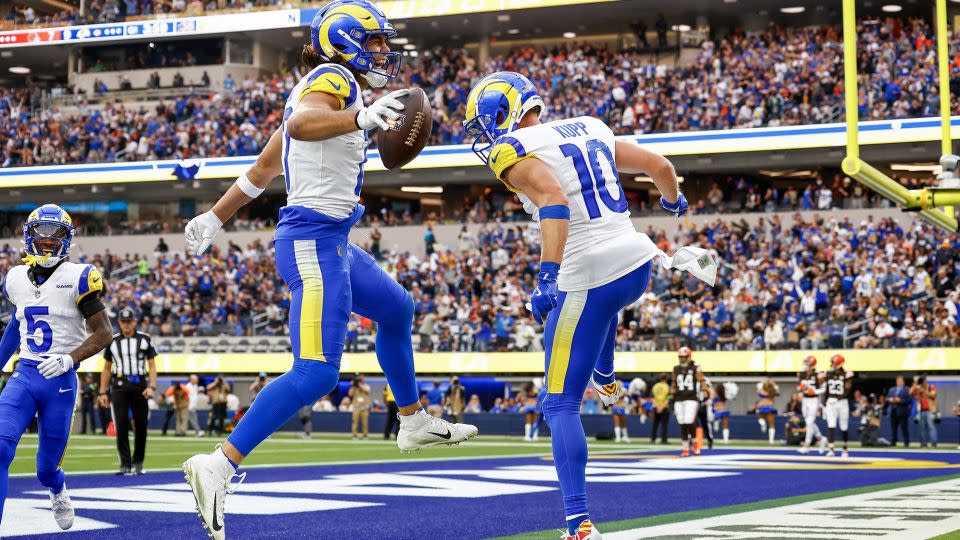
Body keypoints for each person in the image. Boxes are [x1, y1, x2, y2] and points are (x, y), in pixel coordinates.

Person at [182, 4, 477, 536]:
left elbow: (265, 167)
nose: (384, 51)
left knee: (397, 307)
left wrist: (213, 216)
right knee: (317, 371)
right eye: (375, 41)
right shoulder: (333, 78)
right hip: (311, 241)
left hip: (332, 239)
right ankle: (219, 463)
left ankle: (411, 422)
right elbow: (300, 124)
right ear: (345, 41)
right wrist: (360, 118)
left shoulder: (326, 88)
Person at [463, 70, 714, 540]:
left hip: (587, 277)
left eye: (486, 123)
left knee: (558, 404)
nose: (485, 136)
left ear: (504, 113)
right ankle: (606, 375)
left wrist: (546, 277)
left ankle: (578, 523)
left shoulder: (511, 148)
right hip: (636, 265)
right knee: (603, 311)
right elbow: (659, 165)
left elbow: (555, 203)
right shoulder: (591, 125)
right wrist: (674, 201)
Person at [0, 204, 112, 529]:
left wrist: (70, 358)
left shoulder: (80, 276)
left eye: (55, 236)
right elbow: (16, 324)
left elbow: (104, 333)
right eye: (42, 235)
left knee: (45, 469)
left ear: (67, 240)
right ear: (28, 237)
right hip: (25, 375)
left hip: (60, 381)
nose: (47, 242)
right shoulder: (16, 277)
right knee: (1, 450)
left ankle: (57, 489)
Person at [100, 307, 158, 475]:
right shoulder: (112, 341)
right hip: (119, 385)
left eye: (129, 321)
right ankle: (125, 464)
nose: (126, 324)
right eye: (123, 321)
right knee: (121, 424)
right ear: (119, 323)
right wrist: (102, 392)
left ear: (134, 322)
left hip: (140, 385)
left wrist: (152, 386)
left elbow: (152, 365)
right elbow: (106, 367)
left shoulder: (145, 339)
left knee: (141, 425)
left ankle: (138, 462)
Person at [672, 347, 709, 457]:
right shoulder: (676, 368)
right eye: (681, 357)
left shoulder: (695, 368)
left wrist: (705, 390)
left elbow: (701, 380)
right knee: (682, 423)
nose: (682, 359)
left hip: (691, 398)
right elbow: (674, 383)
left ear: (689, 357)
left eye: (684, 357)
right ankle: (685, 448)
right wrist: (672, 392)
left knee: (689, 421)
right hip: (679, 398)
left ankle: (695, 444)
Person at [823, 354, 853, 457]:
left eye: (834, 362)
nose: (832, 364)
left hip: (842, 402)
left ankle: (845, 449)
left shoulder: (847, 374)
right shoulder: (828, 374)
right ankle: (831, 449)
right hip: (831, 402)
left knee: (843, 425)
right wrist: (824, 402)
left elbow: (848, 389)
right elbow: (826, 389)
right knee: (831, 425)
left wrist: (838, 398)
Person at [797, 355, 827, 455]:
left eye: (807, 363)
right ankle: (821, 438)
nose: (805, 365)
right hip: (805, 400)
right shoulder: (802, 374)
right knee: (809, 422)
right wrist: (800, 389)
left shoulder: (818, 375)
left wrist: (814, 391)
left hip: (814, 400)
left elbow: (824, 389)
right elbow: (800, 387)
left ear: (812, 364)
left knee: (809, 422)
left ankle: (807, 445)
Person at [910, 375, 938, 448]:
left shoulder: (931, 387)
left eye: (923, 381)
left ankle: (933, 443)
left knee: (931, 427)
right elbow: (910, 392)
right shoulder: (919, 388)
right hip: (921, 410)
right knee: (922, 429)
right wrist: (915, 383)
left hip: (930, 410)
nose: (922, 383)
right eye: (921, 381)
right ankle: (923, 443)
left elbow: (933, 395)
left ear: (926, 381)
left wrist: (925, 391)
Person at [886, 376, 912, 447]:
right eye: (897, 381)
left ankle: (906, 442)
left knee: (904, 428)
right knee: (893, 428)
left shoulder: (907, 389)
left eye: (900, 381)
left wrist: (900, 400)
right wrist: (891, 400)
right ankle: (893, 442)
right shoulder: (892, 389)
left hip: (902, 412)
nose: (899, 382)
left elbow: (909, 400)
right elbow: (887, 398)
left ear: (903, 381)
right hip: (893, 411)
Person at [755, 378, 779, 445]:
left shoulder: (762, 390)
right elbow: (777, 393)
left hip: (762, 407)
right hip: (770, 407)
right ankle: (771, 441)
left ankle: (763, 424)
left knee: (760, 419)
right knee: (772, 424)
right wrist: (773, 385)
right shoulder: (773, 391)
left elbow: (758, 391)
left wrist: (763, 383)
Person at [348, 374, 371, 440]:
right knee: (355, 422)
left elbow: (367, 391)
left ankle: (365, 435)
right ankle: (354, 435)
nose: (361, 380)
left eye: (362, 378)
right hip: (356, 407)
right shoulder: (354, 387)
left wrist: (360, 385)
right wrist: (353, 385)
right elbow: (350, 394)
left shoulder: (366, 386)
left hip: (364, 407)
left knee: (365, 423)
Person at [650, 374, 670, 444]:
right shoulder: (667, 386)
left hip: (656, 407)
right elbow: (668, 399)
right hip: (664, 407)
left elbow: (652, 397)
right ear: (666, 379)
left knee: (655, 424)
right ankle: (664, 439)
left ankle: (653, 439)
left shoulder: (655, 386)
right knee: (664, 425)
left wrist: (657, 406)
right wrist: (662, 407)